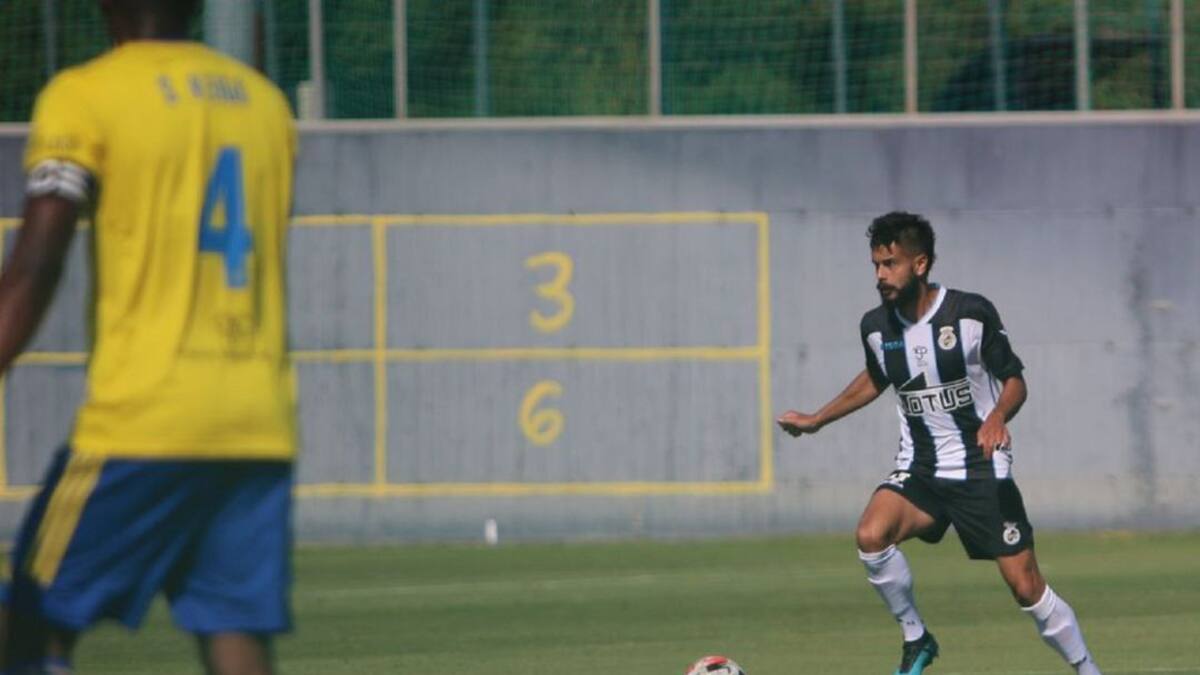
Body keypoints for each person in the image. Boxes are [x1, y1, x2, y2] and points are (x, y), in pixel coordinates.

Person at [0, 1, 297, 673]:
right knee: (235, 631)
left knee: (30, 614)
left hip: (144, 421)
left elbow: (37, 262)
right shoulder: (265, 105)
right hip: (257, 422)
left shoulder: (85, 96)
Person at [777, 212, 1101, 675]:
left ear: (920, 263)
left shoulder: (969, 314)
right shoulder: (876, 326)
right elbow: (875, 377)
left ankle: (1089, 670)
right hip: (921, 468)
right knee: (871, 535)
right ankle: (917, 638)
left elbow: (1015, 381)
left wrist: (996, 416)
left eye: (890, 264)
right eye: (875, 266)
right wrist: (817, 420)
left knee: (1026, 587)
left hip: (979, 466)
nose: (880, 276)